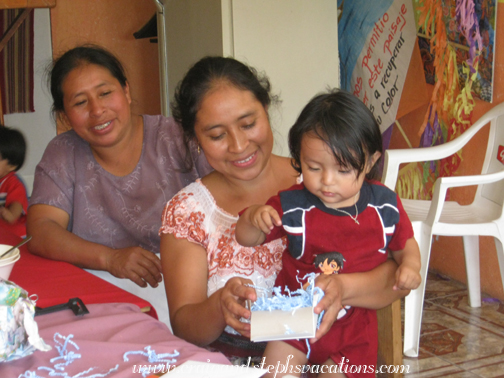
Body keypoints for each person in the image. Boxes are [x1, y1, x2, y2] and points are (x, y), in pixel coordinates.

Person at [159, 58, 412, 364]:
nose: (239, 145)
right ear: (195, 139)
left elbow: (394, 276)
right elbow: (185, 327)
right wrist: (219, 307)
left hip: (335, 356)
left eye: (248, 124)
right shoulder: (188, 211)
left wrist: (343, 287)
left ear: (267, 110)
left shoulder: (327, 183)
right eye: (216, 135)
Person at [235, 90, 421, 377]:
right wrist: (251, 218)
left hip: (355, 328)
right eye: (313, 167)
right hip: (293, 319)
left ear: (370, 162)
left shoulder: (384, 206)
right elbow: (246, 238)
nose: (326, 181)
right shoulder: (293, 205)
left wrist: (410, 265)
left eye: (343, 169)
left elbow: (404, 244)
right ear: (299, 159)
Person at [26, 45, 212, 327]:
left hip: (192, 287)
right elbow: (40, 231)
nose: (97, 110)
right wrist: (110, 259)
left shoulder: (177, 137)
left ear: (125, 91)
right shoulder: (63, 152)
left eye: (105, 93)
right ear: (64, 115)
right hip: (104, 294)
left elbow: (231, 193)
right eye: (80, 102)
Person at [0, 126, 28, 238]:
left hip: (15, 237)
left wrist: (10, 214)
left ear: (11, 165)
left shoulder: (14, 184)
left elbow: (16, 204)